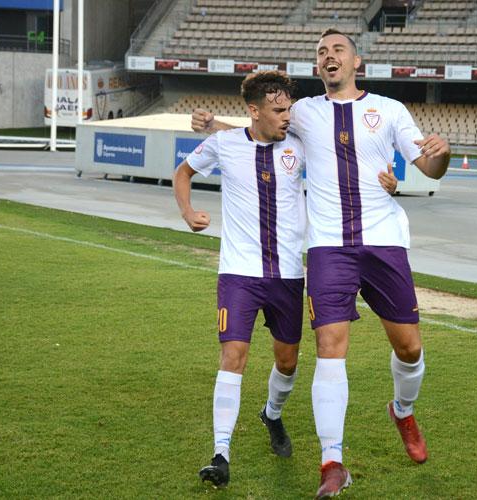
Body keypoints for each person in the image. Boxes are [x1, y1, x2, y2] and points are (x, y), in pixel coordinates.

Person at [192, 29, 450, 498]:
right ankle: (333, 462)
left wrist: (441, 156)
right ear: (318, 67)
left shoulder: (390, 110)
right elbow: (256, 128)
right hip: (329, 247)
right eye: (321, 52)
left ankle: (403, 410)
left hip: (385, 242)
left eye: (338, 51)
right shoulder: (305, 112)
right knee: (330, 345)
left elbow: (428, 168)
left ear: (357, 62)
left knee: (409, 349)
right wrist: (212, 124)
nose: (329, 57)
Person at [174, 71, 306, 489]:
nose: (288, 116)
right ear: (254, 110)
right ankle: (220, 453)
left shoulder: (299, 148)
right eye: (278, 109)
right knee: (233, 356)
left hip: (288, 273)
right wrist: (187, 212)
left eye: (288, 108)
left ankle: (272, 413)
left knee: (287, 361)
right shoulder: (224, 145)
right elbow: (183, 173)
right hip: (239, 273)